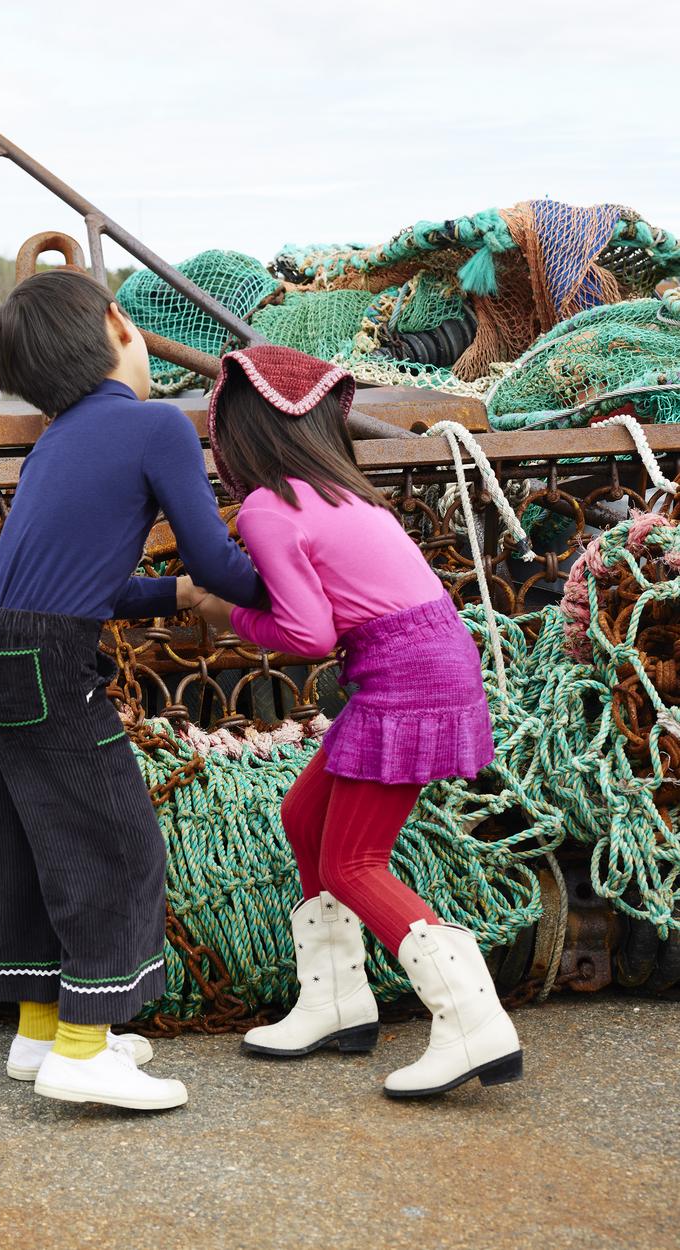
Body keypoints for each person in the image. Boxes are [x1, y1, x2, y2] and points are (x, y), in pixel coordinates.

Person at [0, 270, 263, 1110]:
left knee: (18, 842)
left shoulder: (55, 440)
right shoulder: (156, 424)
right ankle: (84, 1054)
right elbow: (216, 558)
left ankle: (40, 1031)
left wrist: (173, 597)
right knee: (111, 842)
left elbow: (77, 581)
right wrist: (292, 583)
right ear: (122, 324)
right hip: (49, 663)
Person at [194, 344, 522, 1098]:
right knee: (303, 814)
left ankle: (474, 1020)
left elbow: (309, 637)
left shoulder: (268, 507)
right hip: (427, 659)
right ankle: (335, 1001)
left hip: (401, 674)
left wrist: (228, 611)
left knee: (352, 863)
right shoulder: (344, 493)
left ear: (234, 437)